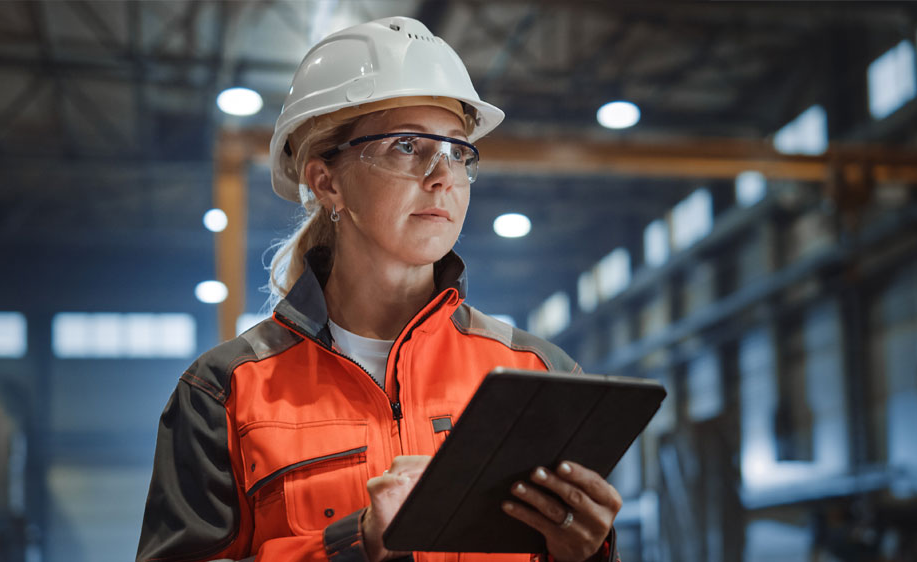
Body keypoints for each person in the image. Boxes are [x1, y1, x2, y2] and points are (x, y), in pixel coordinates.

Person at [137, 16, 622, 562]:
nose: (442, 176)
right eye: (407, 146)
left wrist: (584, 554)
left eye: (459, 152)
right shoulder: (225, 393)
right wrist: (356, 545)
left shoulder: (540, 375)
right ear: (327, 182)